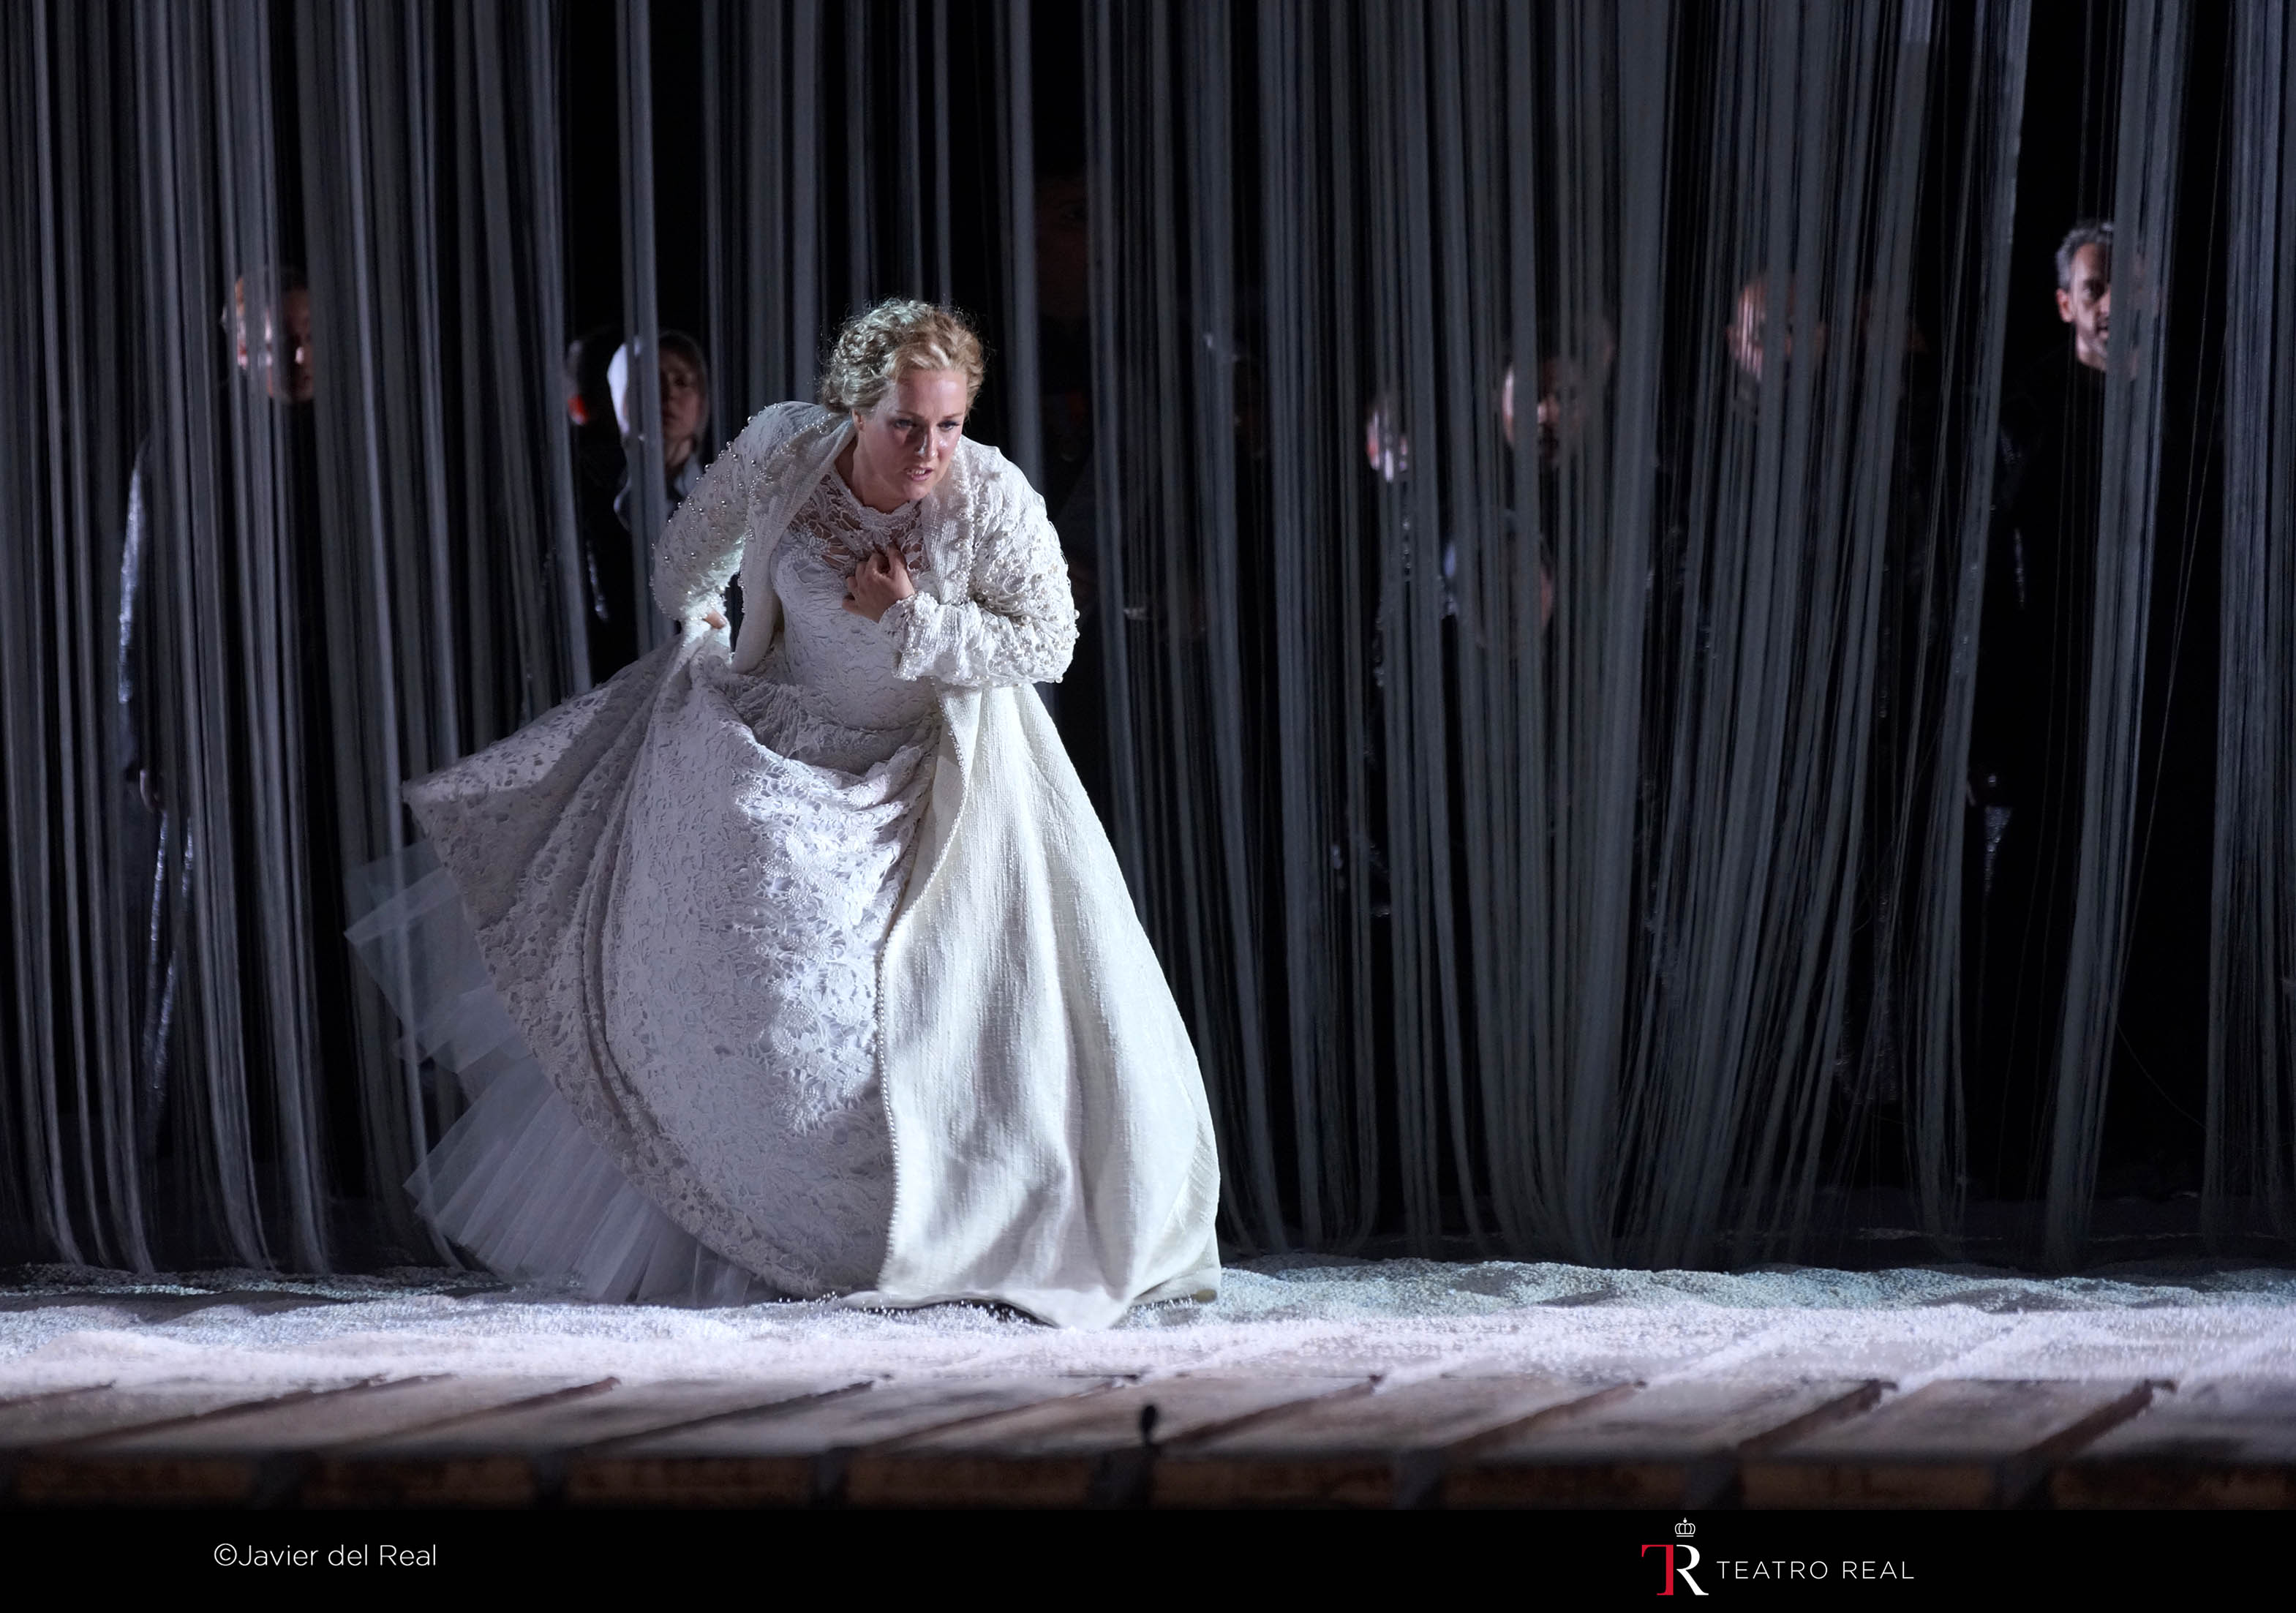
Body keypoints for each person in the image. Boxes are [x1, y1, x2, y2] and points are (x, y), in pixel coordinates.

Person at [361, 299, 1221, 1326]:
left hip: (919, 772)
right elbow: (686, 561)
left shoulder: (988, 496)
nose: (930, 450)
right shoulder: (783, 450)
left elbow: (1050, 642)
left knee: (905, 1021)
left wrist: (913, 619)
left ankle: (911, 1226)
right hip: (784, 739)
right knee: (740, 972)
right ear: (855, 409)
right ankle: (751, 1222)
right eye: (906, 425)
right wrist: (703, 619)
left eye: (948, 424)